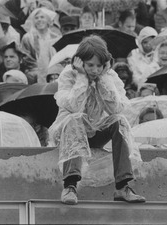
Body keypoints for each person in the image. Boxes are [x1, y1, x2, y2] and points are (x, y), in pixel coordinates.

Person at [49, 35, 145, 205]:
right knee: (75, 117)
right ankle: (70, 186)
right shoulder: (68, 75)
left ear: (105, 64)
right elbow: (74, 106)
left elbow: (116, 108)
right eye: (90, 65)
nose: (94, 70)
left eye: (99, 66)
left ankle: (122, 186)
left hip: (94, 131)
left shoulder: (109, 76)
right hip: (68, 130)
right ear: (80, 62)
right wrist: (81, 78)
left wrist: (103, 80)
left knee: (119, 120)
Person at [21, 7, 60, 83]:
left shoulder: (56, 37)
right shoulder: (28, 38)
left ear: (48, 20)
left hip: (53, 73)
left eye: (42, 17)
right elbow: (26, 59)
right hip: (34, 74)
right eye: (36, 18)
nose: (39, 20)